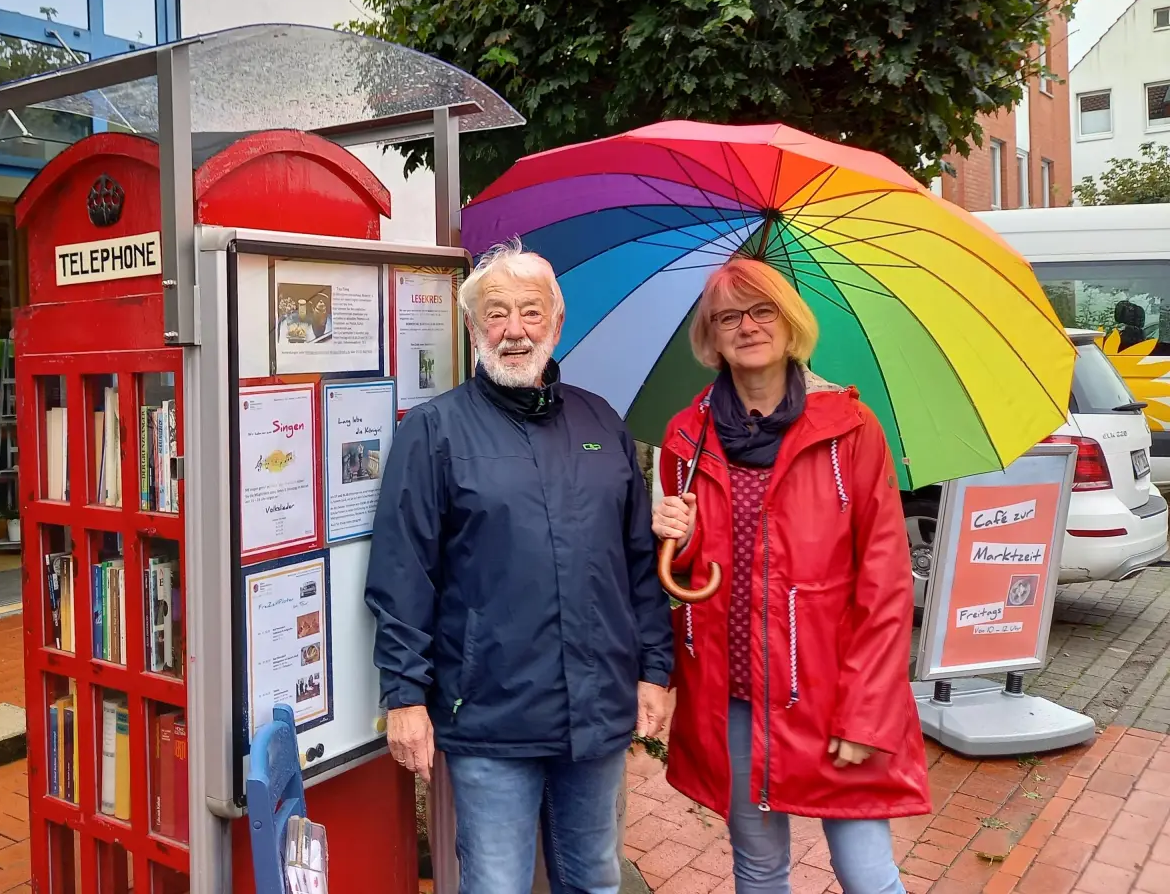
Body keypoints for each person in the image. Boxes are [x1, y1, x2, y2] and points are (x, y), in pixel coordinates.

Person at [364, 239, 674, 894]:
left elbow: (637, 562)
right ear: (474, 328)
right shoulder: (435, 431)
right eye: (496, 314)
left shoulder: (602, 424)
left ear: (557, 325)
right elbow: (402, 575)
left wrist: (654, 670)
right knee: (497, 884)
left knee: (593, 879)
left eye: (530, 313)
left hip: (596, 711)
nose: (513, 330)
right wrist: (404, 697)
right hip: (488, 713)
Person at [651, 258, 930, 894]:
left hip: (833, 690)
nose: (747, 327)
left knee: (867, 875)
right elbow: (689, 579)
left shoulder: (850, 430)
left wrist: (866, 716)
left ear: (791, 323)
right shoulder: (685, 437)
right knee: (758, 869)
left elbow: (885, 583)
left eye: (762, 310)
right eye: (728, 316)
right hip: (736, 694)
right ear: (711, 336)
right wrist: (677, 538)